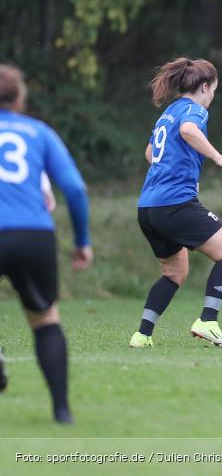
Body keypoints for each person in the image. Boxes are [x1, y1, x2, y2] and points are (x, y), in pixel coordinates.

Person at [0, 63, 93, 423]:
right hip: (33, 234)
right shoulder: (39, 132)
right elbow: (74, 188)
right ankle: (62, 411)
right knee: (45, 320)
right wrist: (82, 240)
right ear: (20, 97)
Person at [130, 57, 222, 349]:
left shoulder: (169, 112)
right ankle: (208, 321)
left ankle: (142, 335)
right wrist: (219, 158)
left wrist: (172, 167)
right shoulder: (194, 110)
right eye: (214, 90)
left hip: (148, 208)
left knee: (174, 272)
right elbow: (189, 131)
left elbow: (149, 152)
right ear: (205, 87)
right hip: (175, 204)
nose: (213, 97)